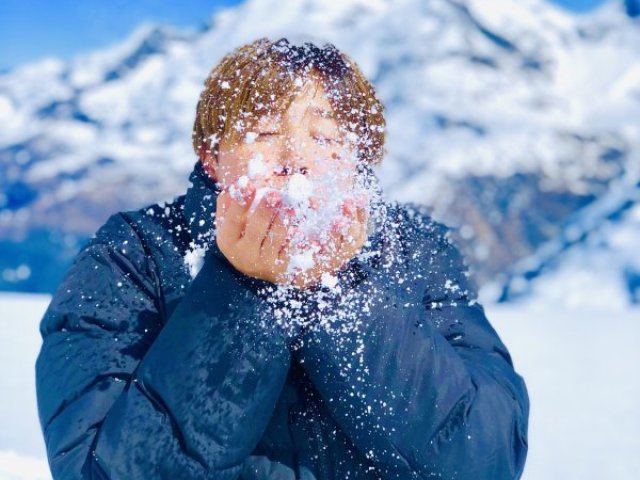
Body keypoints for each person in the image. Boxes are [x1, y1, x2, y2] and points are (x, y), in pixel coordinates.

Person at [35, 37, 529, 480]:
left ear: (360, 156)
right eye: (265, 133)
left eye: (328, 137)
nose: (297, 158)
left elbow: (486, 458)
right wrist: (239, 289)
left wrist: (344, 293)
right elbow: (96, 469)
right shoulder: (135, 254)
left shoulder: (414, 250)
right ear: (213, 155)